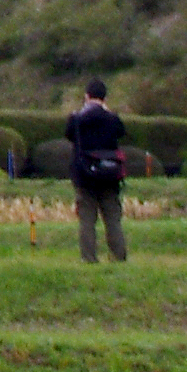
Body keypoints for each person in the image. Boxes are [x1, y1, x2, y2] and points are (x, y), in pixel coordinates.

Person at [65, 78, 129, 264]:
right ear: (105, 97)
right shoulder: (112, 119)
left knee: (87, 220)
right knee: (112, 219)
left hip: (85, 175)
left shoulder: (76, 120)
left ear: (86, 96)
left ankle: (89, 257)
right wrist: (109, 113)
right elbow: (121, 132)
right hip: (110, 175)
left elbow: (68, 135)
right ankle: (118, 256)